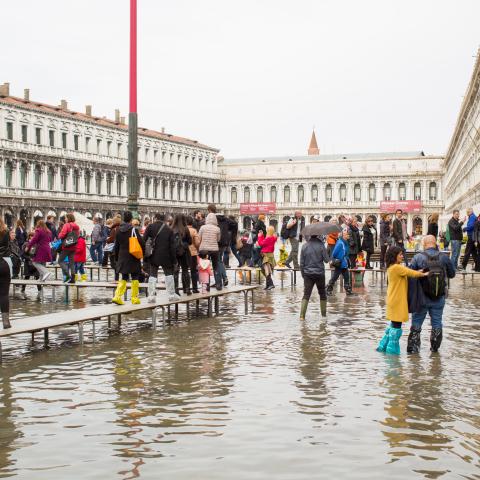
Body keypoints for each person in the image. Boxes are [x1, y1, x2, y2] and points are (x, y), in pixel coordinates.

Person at [407, 235, 456, 353]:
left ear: (424, 244)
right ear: (435, 243)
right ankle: (434, 351)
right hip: (439, 297)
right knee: (437, 322)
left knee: (416, 323)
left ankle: (413, 353)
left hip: (421, 297)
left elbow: (409, 274)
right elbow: (452, 274)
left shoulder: (418, 257)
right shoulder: (444, 257)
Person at [376, 246, 428, 355]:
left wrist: (419, 271)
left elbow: (408, 271)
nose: (401, 256)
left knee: (393, 325)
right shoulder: (396, 267)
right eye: (399, 254)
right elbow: (412, 273)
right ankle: (392, 353)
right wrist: (424, 274)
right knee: (396, 326)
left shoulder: (392, 267)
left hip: (393, 299)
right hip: (397, 301)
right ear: (394, 256)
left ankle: (383, 347)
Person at [143, 213, 178, 302]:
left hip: (153, 255)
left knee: (153, 275)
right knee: (169, 275)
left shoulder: (150, 227)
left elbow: (144, 240)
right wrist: (174, 260)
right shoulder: (169, 230)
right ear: (164, 220)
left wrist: (145, 257)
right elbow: (172, 247)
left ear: (155, 218)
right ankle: (171, 295)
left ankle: (151, 296)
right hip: (166, 256)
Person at [112, 211, 145, 305]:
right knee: (135, 277)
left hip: (122, 256)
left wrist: (117, 258)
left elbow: (116, 245)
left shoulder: (118, 230)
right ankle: (134, 298)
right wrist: (142, 254)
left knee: (124, 277)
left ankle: (117, 296)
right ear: (131, 220)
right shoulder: (133, 230)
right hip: (133, 255)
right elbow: (142, 242)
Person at [299, 233, 329, 320]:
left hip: (308, 274)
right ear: (318, 235)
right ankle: (323, 316)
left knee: (306, 294)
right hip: (319, 273)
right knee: (322, 294)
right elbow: (327, 260)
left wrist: (303, 275)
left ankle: (302, 316)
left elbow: (301, 263)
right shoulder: (321, 245)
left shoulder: (304, 246)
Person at [198, 213, 222, 290]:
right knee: (216, 267)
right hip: (214, 250)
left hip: (204, 249)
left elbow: (199, 238)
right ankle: (218, 285)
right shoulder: (217, 229)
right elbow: (218, 239)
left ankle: (206, 286)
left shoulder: (202, 227)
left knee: (205, 267)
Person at [326, 229, 353, 296]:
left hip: (344, 263)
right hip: (340, 263)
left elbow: (346, 252)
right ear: (344, 235)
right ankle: (328, 289)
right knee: (335, 277)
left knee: (346, 277)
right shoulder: (340, 243)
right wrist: (338, 259)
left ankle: (348, 291)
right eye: (348, 235)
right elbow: (334, 253)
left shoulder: (345, 242)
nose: (349, 236)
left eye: (349, 235)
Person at [171, 214, 192, 296]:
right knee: (185, 270)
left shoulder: (171, 229)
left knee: (175, 271)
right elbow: (190, 242)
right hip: (184, 252)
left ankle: (176, 290)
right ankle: (187, 289)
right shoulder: (185, 229)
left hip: (174, 253)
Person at [57, 213, 80, 284]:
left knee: (60, 261)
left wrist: (59, 235)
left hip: (67, 246)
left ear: (69, 218)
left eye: (66, 218)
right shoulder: (77, 226)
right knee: (72, 263)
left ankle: (67, 274)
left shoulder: (66, 225)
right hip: (74, 246)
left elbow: (62, 234)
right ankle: (73, 278)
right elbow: (77, 235)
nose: (65, 219)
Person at [21, 232, 42, 297]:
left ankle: (40, 291)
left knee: (37, 277)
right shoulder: (26, 244)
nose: (33, 237)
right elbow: (23, 254)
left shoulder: (37, 244)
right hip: (28, 263)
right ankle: (22, 290)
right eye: (32, 236)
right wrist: (29, 258)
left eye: (34, 236)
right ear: (29, 237)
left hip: (35, 263)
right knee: (27, 277)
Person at [257, 225, 277, 290]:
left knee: (266, 270)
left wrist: (260, 236)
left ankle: (271, 284)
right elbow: (264, 242)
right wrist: (262, 236)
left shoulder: (269, 238)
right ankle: (268, 285)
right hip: (270, 255)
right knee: (267, 270)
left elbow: (261, 244)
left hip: (267, 255)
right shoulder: (273, 238)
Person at [186, 216, 201, 294]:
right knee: (193, 271)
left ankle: (186, 288)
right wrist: (197, 248)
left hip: (184, 253)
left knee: (185, 271)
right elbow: (197, 242)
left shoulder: (182, 230)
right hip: (193, 253)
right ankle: (195, 288)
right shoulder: (194, 231)